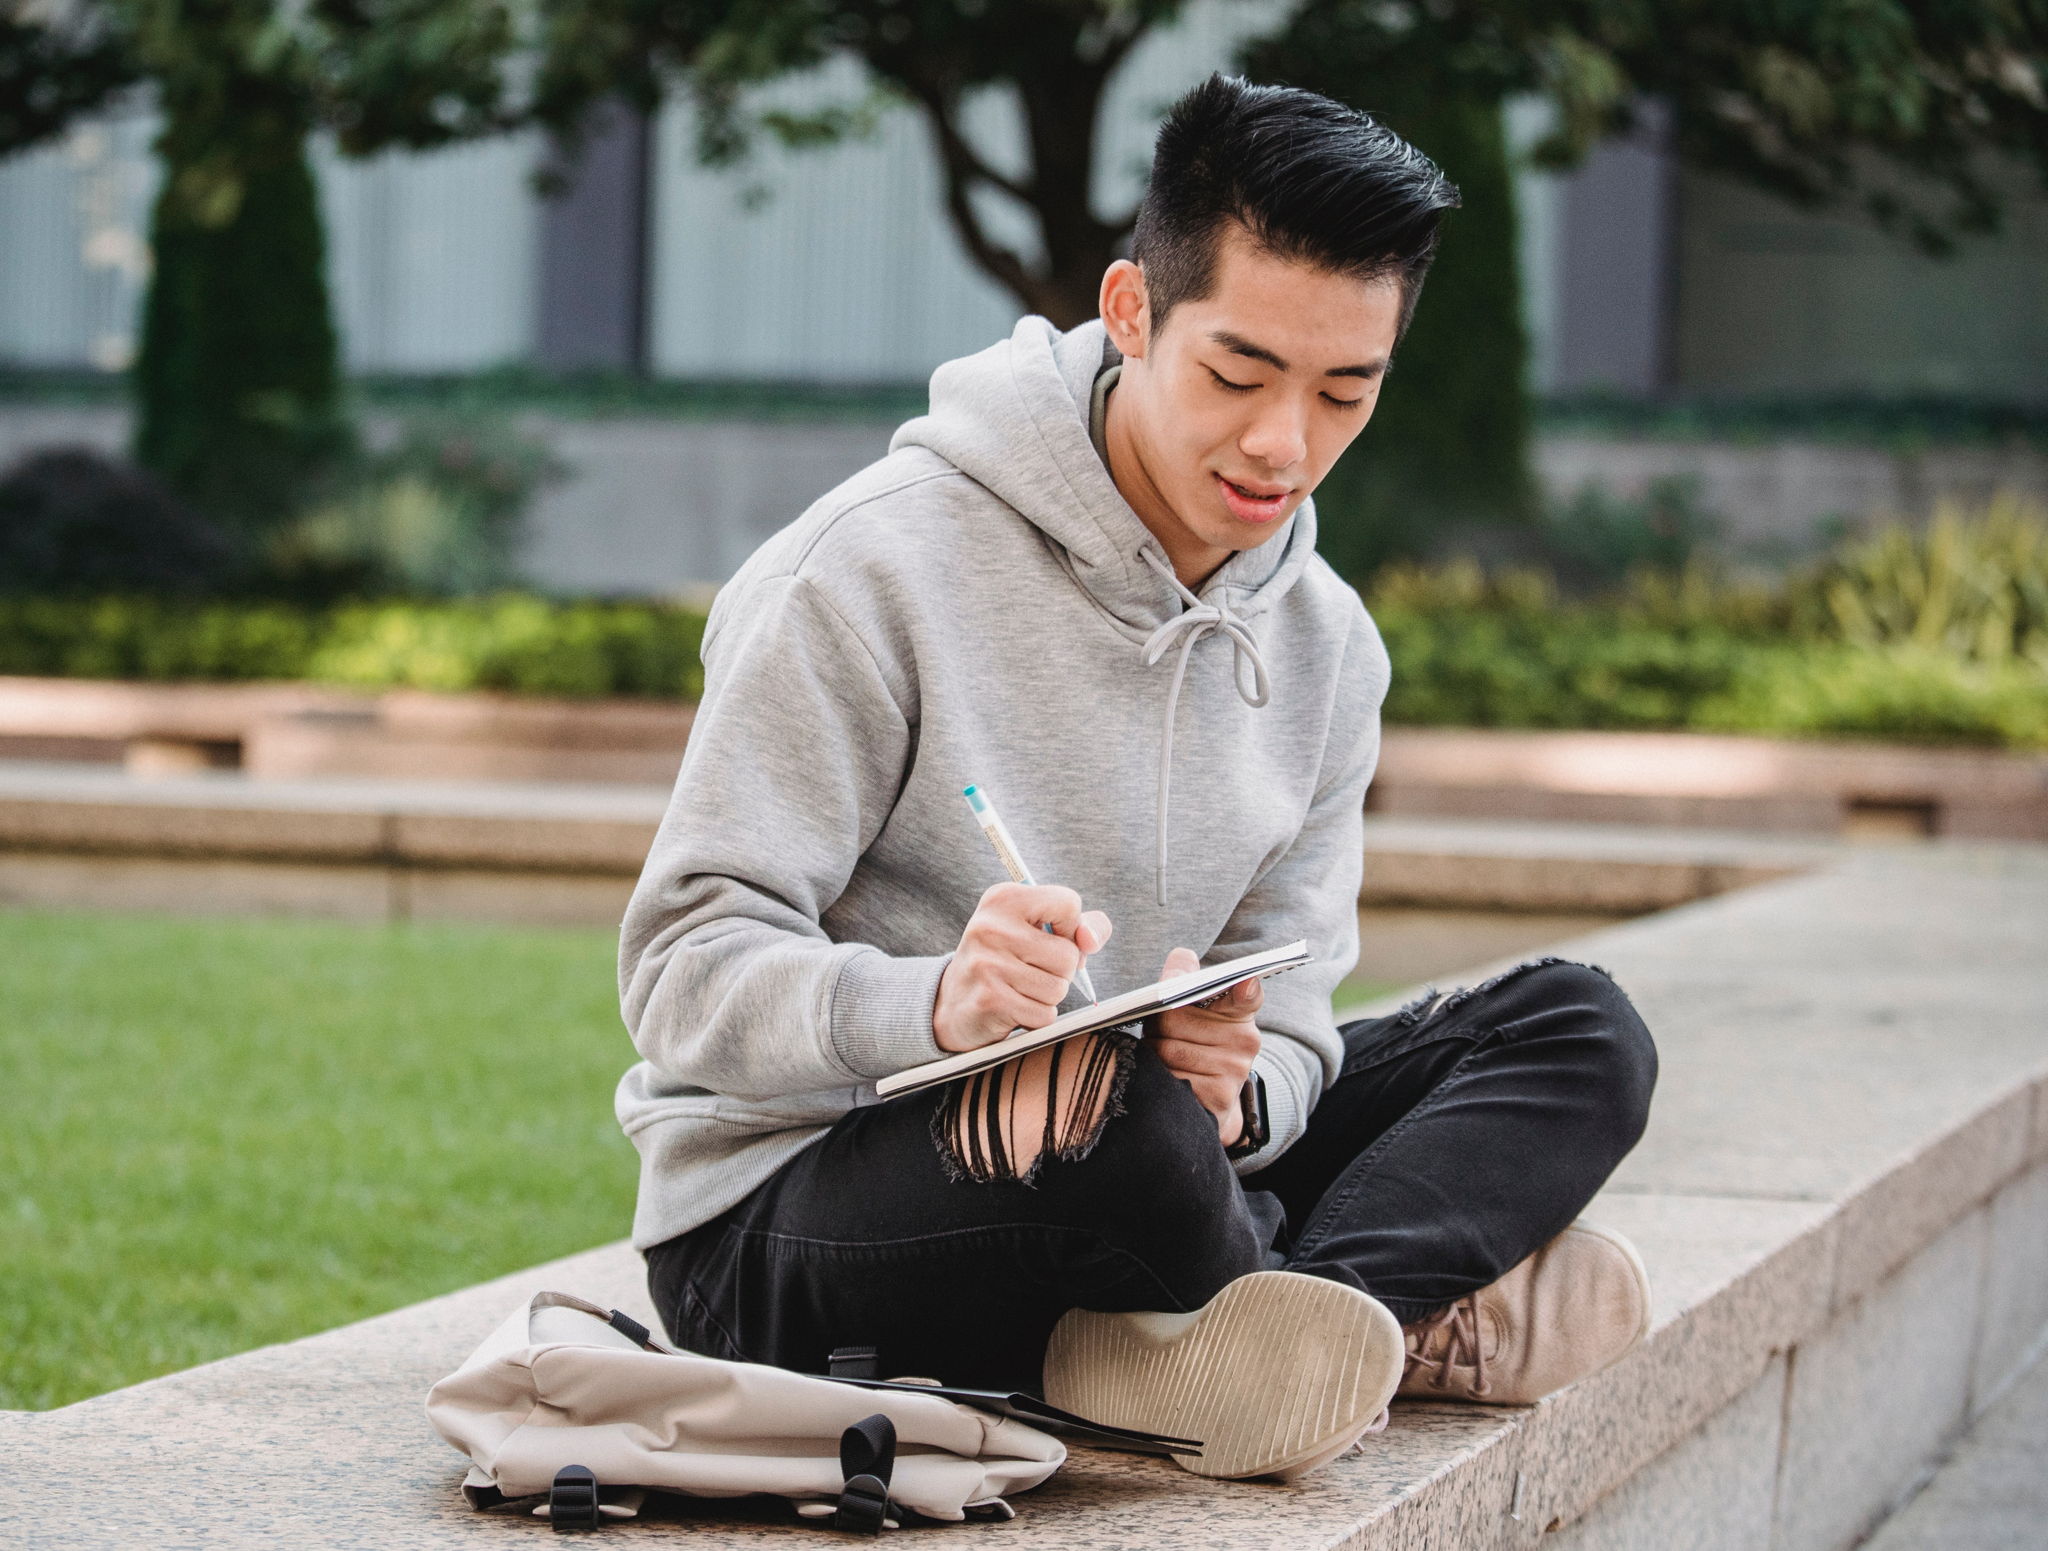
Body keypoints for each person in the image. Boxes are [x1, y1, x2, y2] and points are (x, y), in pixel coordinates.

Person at [617, 73, 1658, 1483]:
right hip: (788, 1219)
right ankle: (1381, 1317)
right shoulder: (866, 572)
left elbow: (1291, 1008)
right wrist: (937, 1004)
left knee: (1577, 1029)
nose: (1285, 444)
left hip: (1162, 1155)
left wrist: (1251, 1091)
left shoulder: (1328, 647)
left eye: (1345, 390)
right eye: (1238, 376)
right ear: (1129, 312)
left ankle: (1271, 1336)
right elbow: (680, 974)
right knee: (1117, 1112)